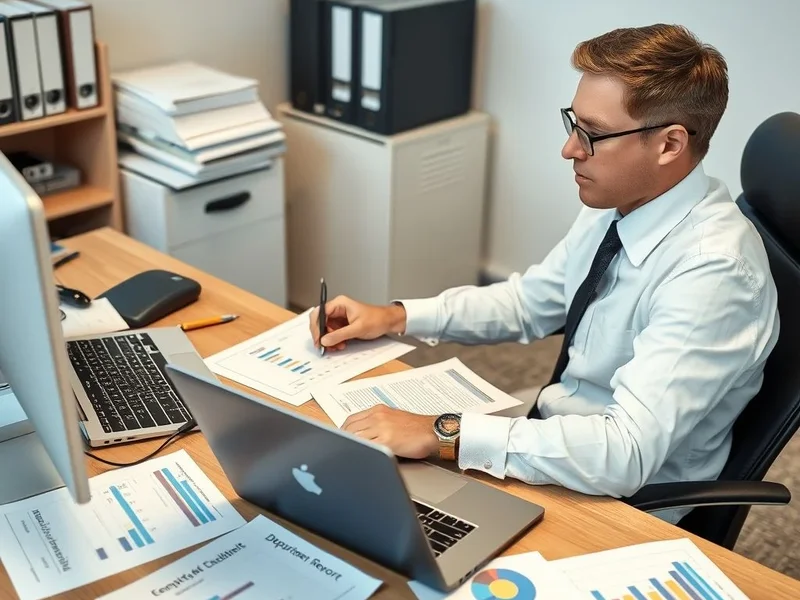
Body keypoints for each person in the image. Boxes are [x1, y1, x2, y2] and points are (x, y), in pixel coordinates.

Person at [308, 24, 780, 523]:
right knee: (347, 487)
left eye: (592, 134)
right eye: (573, 124)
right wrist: (395, 316)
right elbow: (531, 302)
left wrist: (445, 432)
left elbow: (624, 455)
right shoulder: (622, 201)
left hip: (619, 505)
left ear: (669, 145)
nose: (570, 149)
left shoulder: (713, 273)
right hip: (555, 445)